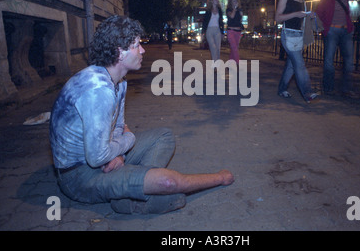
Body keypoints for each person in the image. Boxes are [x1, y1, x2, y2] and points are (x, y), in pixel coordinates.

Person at [49, 15, 234, 214]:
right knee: (169, 184)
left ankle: (133, 187)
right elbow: (97, 157)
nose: (143, 49)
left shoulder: (118, 80)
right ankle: (218, 178)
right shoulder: (99, 91)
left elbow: (119, 125)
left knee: (164, 136)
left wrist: (118, 153)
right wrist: (129, 139)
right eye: (137, 45)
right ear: (120, 52)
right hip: (80, 177)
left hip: (100, 157)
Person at [275, 0, 319, 103]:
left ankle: (282, 89)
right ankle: (308, 93)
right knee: (299, 64)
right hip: (288, 34)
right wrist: (296, 14)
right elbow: (277, 18)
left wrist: (309, 15)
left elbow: (301, 17)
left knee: (291, 66)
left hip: (299, 35)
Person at [315, 0, 357, 98]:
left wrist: (351, 27)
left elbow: (347, 13)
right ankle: (328, 88)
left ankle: (346, 89)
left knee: (349, 61)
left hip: (346, 31)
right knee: (329, 61)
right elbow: (318, 13)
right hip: (332, 31)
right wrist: (323, 29)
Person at [202, 0, 224, 66]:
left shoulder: (219, 10)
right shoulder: (208, 10)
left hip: (217, 30)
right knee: (213, 47)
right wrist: (203, 32)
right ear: (211, 1)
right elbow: (204, 22)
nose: (217, 0)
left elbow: (221, 22)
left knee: (218, 48)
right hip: (209, 30)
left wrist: (222, 32)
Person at [226, 0, 244, 65]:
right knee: (234, 48)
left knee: (234, 48)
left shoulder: (240, 10)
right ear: (231, 2)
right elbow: (232, 16)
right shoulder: (229, 10)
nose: (235, 2)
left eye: (236, 1)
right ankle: (237, 62)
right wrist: (234, 9)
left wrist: (240, 14)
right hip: (231, 30)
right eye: (233, 1)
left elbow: (240, 20)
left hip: (238, 31)